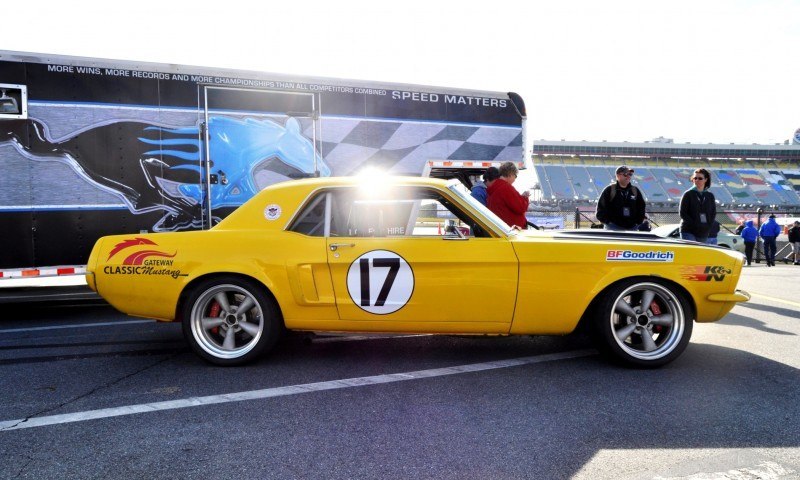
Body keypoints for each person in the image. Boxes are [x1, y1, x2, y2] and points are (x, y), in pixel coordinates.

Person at [595, 165, 647, 231]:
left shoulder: (635, 190)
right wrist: (608, 222)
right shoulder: (610, 190)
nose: (628, 176)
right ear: (618, 175)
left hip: (632, 227)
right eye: (626, 174)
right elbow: (600, 208)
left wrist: (638, 222)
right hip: (613, 227)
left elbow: (641, 207)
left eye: (630, 174)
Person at [487, 161, 530, 229]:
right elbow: (520, 207)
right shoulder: (506, 188)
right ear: (510, 174)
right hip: (510, 231)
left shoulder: (495, 187)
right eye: (515, 176)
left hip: (501, 228)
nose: (515, 179)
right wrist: (525, 198)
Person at [679, 168, 716, 243]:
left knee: (699, 253)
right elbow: (682, 213)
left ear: (706, 179)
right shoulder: (688, 194)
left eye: (700, 178)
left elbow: (713, 213)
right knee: (691, 251)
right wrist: (695, 224)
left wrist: (708, 226)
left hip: (703, 232)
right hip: (688, 230)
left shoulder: (709, 195)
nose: (697, 180)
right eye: (695, 178)